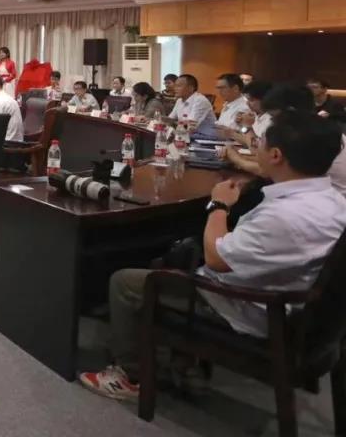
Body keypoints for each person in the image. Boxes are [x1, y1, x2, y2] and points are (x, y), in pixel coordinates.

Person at [79, 110, 346, 401]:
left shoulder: (284, 215)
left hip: (250, 307)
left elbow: (217, 258)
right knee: (182, 251)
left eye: (260, 142)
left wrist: (219, 204)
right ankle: (180, 358)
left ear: (276, 155)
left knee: (125, 282)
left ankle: (131, 376)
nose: (255, 146)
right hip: (295, 305)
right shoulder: (334, 201)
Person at [225, 84, 346, 196]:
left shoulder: (306, 134)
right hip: (319, 195)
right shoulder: (312, 127)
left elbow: (267, 170)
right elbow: (274, 160)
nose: (273, 122)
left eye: (274, 117)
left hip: (324, 199)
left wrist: (236, 158)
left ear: (290, 111)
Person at [166, 74, 216, 138]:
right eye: (175, 86)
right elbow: (170, 119)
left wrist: (175, 124)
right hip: (190, 135)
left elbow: (189, 126)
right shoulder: (179, 100)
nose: (175, 89)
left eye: (179, 86)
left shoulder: (200, 100)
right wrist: (159, 119)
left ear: (191, 88)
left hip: (206, 137)